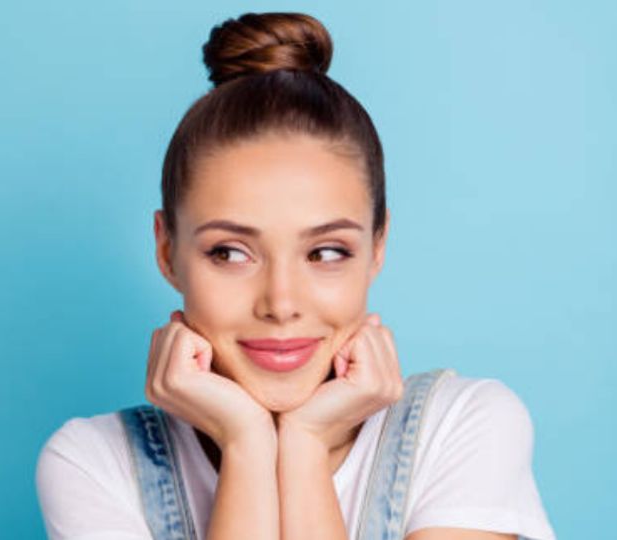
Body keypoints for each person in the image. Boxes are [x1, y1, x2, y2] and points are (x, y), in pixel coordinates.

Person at [35, 11, 556, 540]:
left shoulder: (465, 427)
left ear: (378, 246)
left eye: (326, 252)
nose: (281, 303)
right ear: (167, 250)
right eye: (231, 253)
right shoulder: (95, 464)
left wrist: (303, 445)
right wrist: (247, 443)